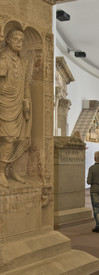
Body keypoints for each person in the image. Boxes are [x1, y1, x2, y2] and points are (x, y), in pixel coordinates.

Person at [0, 29, 32, 187]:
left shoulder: (24, 62)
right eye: (16, 39)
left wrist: (26, 99)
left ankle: (12, 168)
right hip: (5, 102)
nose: (20, 42)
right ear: (7, 40)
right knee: (8, 138)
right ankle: (1, 170)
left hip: (19, 102)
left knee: (21, 138)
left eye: (22, 39)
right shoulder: (2, 58)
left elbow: (26, 83)